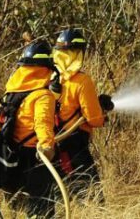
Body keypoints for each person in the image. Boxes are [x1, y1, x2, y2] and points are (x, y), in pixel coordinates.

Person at [52, 27, 114, 197]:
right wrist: (101, 111)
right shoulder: (81, 81)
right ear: (79, 53)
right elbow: (94, 119)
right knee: (92, 197)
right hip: (75, 147)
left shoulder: (48, 77)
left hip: (50, 148)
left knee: (58, 198)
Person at [4, 39, 58, 219]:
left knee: (16, 208)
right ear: (46, 68)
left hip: (10, 156)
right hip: (34, 157)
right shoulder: (42, 96)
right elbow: (42, 123)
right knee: (42, 210)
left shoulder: (12, 92)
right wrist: (47, 147)